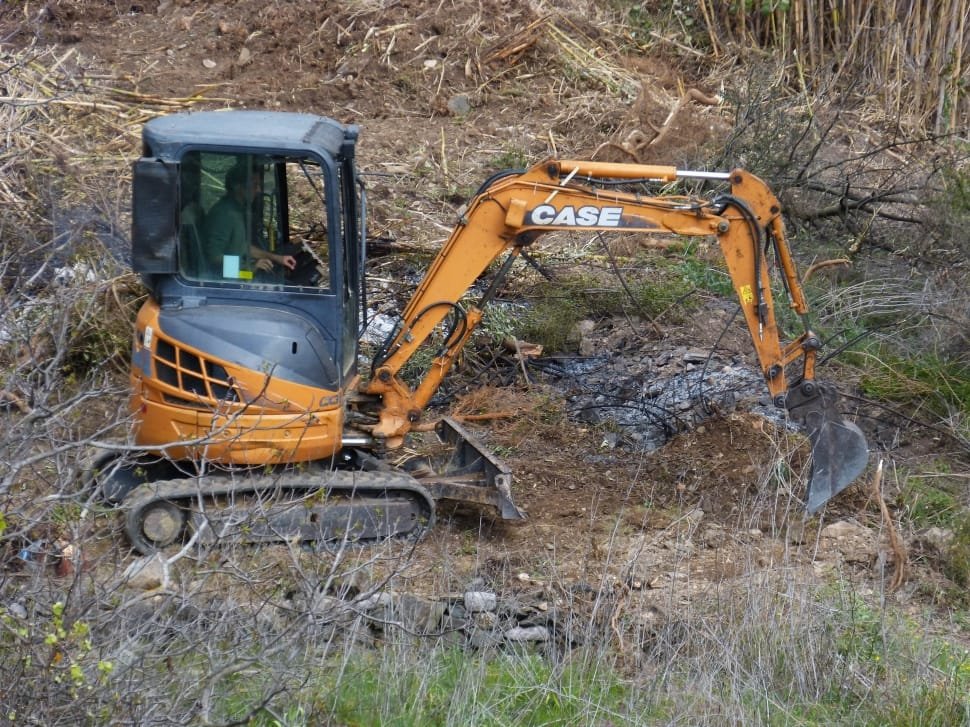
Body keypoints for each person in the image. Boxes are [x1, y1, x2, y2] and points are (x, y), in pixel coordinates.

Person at [205, 163, 296, 279]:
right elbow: (214, 257)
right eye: (254, 185)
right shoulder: (224, 214)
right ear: (237, 186)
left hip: (234, 275)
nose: (258, 190)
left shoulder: (236, 210)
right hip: (225, 280)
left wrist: (277, 258)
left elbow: (243, 247)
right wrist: (249, 267)